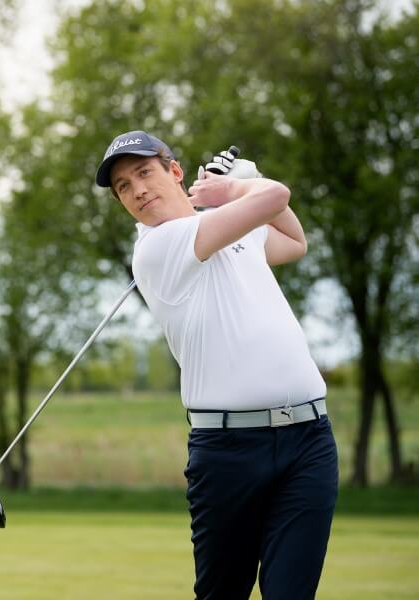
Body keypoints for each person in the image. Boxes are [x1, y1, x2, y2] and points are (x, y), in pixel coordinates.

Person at [95, 131, 337, 600]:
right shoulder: (157, 247)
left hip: (309, 441)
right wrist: (238, 187)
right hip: (229, 452)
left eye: (144, 173)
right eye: (123, 186)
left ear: (175, 171)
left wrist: (236, 189)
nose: (137, 190)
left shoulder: (225, 228)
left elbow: (293, 241)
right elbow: (276, 196)